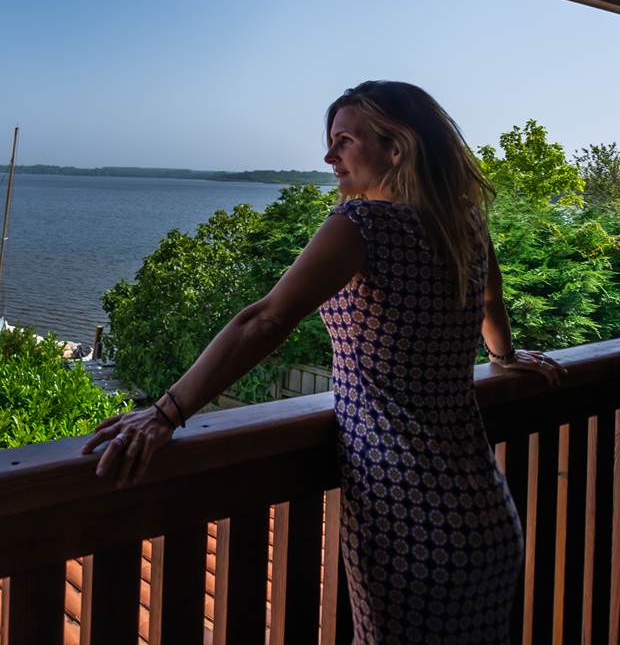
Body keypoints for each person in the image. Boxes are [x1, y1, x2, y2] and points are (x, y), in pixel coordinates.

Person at [82, 80, 565, 644]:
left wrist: (165, 412)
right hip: (483, 512)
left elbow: (265, 320)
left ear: (395, 149)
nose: (329, 156)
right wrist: (502, 358)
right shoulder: (465, 224)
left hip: (409, 519)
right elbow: (489, 301)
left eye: (344, 140)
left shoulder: (363, 226)